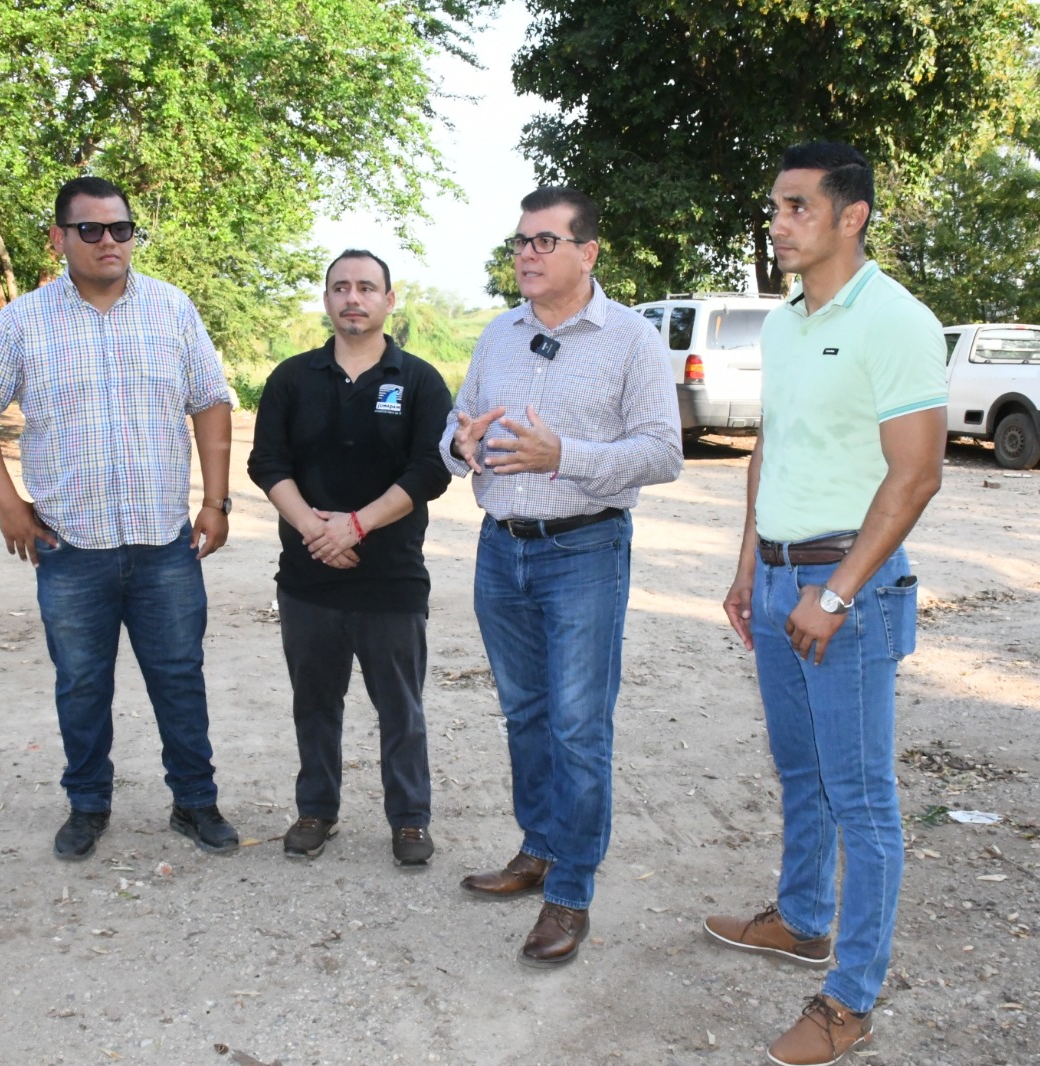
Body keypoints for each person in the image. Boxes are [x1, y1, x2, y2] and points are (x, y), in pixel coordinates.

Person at [706, 142, 947, 1066]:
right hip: (775, 580)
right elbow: (773, 446)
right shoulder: (782, 324)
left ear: (854, 216)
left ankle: (850, 999)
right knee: (799, 769)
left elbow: (916, 474)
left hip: (847, 585)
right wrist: (746, 567)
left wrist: (836, 592)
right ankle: (802, 917)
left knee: (862, 801)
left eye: (798, 207)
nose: (778, 223)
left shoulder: (894, 320)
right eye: (774, 207)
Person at [0, 175, 241, 862]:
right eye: (91, 229)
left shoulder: (172, 310)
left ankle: (194, 802)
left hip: (162, 543)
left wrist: (216, 501)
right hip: (70, 545)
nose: (110, 241)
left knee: (179, 676)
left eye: (121, 228)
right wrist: (7, 505)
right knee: (81, 684)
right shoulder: (25, 320)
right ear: (58, 238)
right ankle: (87, 803)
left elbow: (211, 401)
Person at [439, 187, 683, 966]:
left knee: (579, 727)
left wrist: (565, 457)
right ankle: (538, 847)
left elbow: (663, 452)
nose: (528, 254)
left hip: (583, 551)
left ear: (588, 253)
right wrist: (461, 444)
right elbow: (457, 423)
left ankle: (570, 893)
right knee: (524, 714)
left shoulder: (633, 340)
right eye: (521, 241)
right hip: (499, 545)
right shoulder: (498, 335)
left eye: (546, 241)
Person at [246, 250, 451, 867]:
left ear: (390, 300)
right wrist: (315, 529)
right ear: (327, 300)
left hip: (390, 579)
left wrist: (357, 526)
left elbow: (431, 468)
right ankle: (317, 811)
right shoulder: (291, 378)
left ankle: (410, 821)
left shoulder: (418, 380)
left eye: (367, 287)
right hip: (309, 579)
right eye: (340, 288)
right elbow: (268, 464)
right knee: (314, 703)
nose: (352, 298)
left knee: (400, 708)